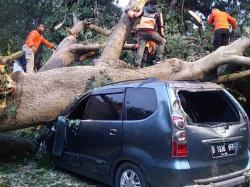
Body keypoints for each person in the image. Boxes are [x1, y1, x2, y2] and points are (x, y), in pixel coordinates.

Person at [126, 0, 166, 67]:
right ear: (157, 4)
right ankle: (158, 60)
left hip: (141, 32)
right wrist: (162, 35)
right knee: (162, 41)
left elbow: (136, 16)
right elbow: (160, 25)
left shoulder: (144, 8)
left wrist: (127, 11)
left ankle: (137, 65)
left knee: (140, 49)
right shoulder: (158, 11)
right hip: (151, 32)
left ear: (149, 3)